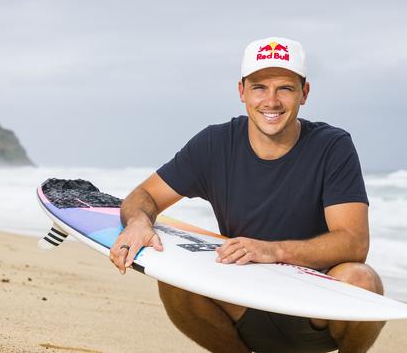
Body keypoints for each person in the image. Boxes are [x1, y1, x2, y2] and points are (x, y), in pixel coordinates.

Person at [109, 37, 385, 353]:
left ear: (304, 94)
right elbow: (144, 194)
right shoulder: (215, 144)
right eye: (259, 87)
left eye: (285, 88)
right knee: (172, 274)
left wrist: (274, 251)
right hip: (242, 302)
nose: (272, 101)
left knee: (362, 279)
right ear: (242, 92)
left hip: (316, 309)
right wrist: (138, 222)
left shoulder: (331, 146)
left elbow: (354, 242)